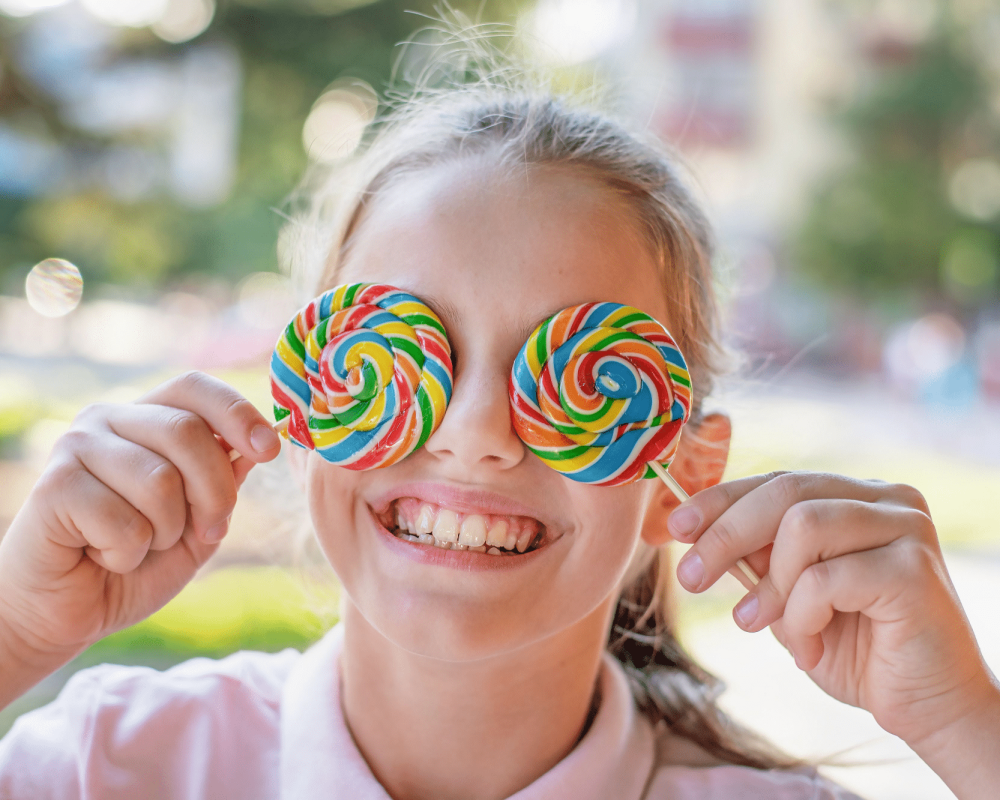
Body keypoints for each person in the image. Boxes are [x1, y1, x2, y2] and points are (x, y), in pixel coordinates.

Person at [0, 26, 997, 800]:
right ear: (318, 396)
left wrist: (966, 727)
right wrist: (13, 631)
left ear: (679, 472)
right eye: (412, 350)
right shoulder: (107, 763)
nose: (478, 431)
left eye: (570, 376)